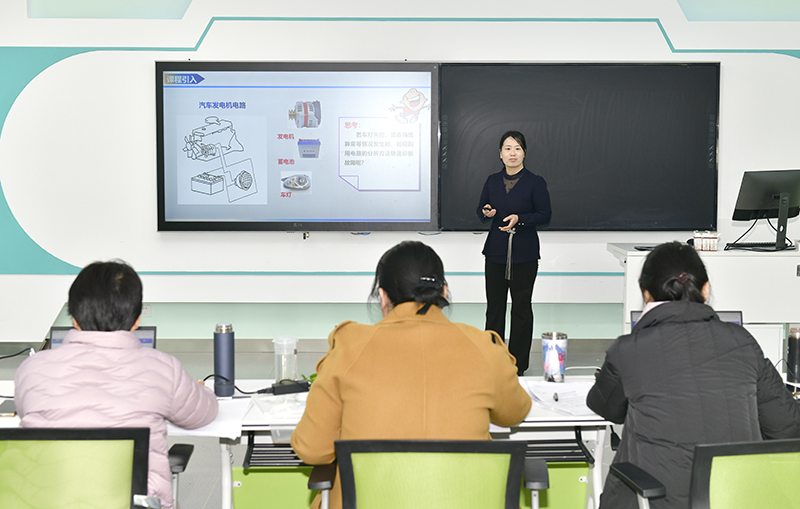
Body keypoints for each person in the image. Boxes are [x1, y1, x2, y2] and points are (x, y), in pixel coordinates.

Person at [290, 241, 532, 509]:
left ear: (382, 296)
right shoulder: (482, 347)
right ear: (444, 291)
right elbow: (515, 412)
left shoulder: (349, 347)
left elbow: (313, 449)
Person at [586, 242, 800, 508]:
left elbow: (604, 407)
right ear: (706, 289)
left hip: (655, 502)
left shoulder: (629, 349)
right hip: (735, 499)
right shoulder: (742, 341)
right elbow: (787, 426)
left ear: (646, 293)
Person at [15, 260, 218, 509]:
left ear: (74, 318)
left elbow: (29, 417)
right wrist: (199, 389)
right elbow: (203, 414)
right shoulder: (163, 368)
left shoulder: (31, 369)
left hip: (47, 502)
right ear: (136, 320)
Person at [478, 130, 552, 375]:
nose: (512, 153)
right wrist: (487, 212)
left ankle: (518, 364)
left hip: (524, 254)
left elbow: (545, 215)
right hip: (496, 252)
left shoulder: (535, 182)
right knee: (494, 308)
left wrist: (520, 218)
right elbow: (481, 210)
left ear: (524, 153)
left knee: (521, 308)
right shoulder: (492, 181)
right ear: (500, 154)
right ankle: (493, 361)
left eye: (517, 148)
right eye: (508, 148)